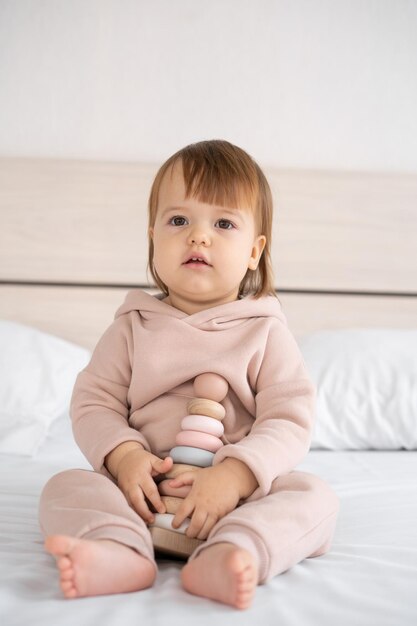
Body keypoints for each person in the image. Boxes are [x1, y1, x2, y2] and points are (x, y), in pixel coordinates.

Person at [39, 140, 339, 610]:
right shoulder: (132, 326)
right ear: (154, 237)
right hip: (141, 495)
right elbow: (94, 402)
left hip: (231, 500)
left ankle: (233, 551)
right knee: (66, 486)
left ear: (255, 252)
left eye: (223, 223)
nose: (199, 237)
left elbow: (289, 419)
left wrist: (235, 477)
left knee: (313, 496)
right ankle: (119, 550)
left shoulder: (264, 332)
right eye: (179, 220)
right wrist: (123, 457)